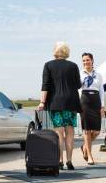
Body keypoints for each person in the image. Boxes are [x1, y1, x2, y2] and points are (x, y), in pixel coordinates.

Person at [38, 42, 82, 170]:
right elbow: (78, 85)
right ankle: (69, 161)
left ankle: (60, 161)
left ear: (55, 51)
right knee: (69, 132)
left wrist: (42, 102)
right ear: (66, 52)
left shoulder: (48, 65)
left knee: (59, 133)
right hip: (71, 102)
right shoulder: (73, 66)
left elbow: (45, 85)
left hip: (56, 103)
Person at [80, 53, 104, 165]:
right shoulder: (80, 74)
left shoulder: (98, 75)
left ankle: (85, 146)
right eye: (84, 61)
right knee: (87, 130)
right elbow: (77, 89)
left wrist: (102, 106)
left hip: (96, 101)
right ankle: (89, 155)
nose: (85, 62)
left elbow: (102, 91)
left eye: (87, 60)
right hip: (85, 100)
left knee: (96, 131)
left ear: (92, 61)